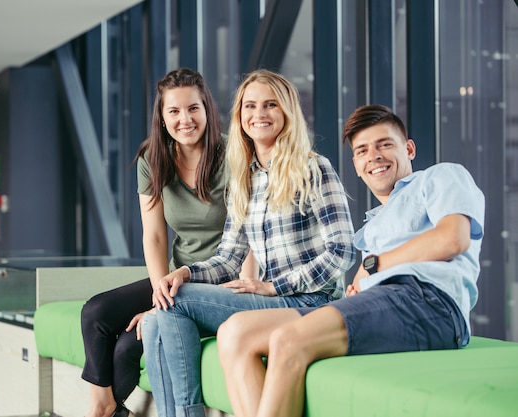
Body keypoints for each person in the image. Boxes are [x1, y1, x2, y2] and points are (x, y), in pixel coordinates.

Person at [216, 104, 485, 417]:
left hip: (430, 301)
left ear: (408, 149)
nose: (374, 156)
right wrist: (365, 282)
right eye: (362, 151)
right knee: (236, 333)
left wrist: (375, 266)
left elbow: (452, 239)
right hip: (389, 300)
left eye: (385, 144)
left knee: (289, 340)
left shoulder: (440, 177)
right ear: (357, 166)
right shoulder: (373, 225)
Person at [141, 69, 356, 417]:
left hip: (311, 301)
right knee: (158, 315)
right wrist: (184, 272)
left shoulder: (313, 168)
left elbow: (342, 251)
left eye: (271, 105)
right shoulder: (245, 178)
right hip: (270, 298)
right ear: (239, 117)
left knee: (174, 300)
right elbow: (228, 259)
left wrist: (274, 286)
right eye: (250, 106)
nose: (259, 114)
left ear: (287, 112)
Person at [79, 68, 256, 417]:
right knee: (95, 313)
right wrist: (160, 292)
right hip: (176, 277)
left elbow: (250, 237)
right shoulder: (153, 159)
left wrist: (164, 308)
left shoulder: (233, 157)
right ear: (161, 117)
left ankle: (105, 413)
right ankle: (104, 408)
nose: (184, 119)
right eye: (173, 111)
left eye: (193, 108)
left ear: (207, 109)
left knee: (129, 346)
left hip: (221, 281)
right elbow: (155, 235)